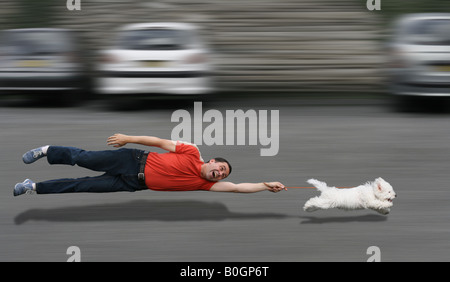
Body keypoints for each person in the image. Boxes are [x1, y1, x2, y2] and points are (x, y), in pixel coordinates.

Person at [14, 133, 286, 196]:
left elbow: (238, 188)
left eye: (221, 175)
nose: (219, 174)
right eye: (220, 169)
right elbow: (157, 142)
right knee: (82, 159)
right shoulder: (192, 152)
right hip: (131, 158)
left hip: (132, 183)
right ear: (212, 161)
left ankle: (32, 187)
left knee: (81, 186)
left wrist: (264, 185)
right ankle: (47, 150)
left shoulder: (204, 185)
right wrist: (127, 138)